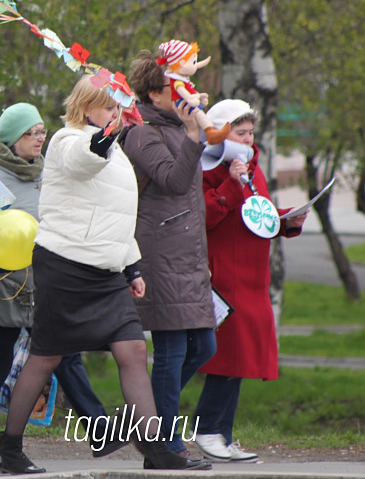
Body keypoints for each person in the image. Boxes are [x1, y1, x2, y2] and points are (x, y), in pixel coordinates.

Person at [0, 76, 209, 474]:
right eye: (108, 107)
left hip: (107, 269)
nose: (115, 114)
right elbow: (84, 159)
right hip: (65, 265)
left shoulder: (114, 150)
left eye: (116, 108)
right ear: (86, 108)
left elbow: (118, 214)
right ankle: (8, 451)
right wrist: (113, 129)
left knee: (133, 351)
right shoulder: (67, 140)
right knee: (45, 356)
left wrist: (132, 266)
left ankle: (156, 451)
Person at [0, 102, 111, 459]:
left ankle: (99, 429)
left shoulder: (36, 173)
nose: (40, 138)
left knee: (64, 352)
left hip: (37, 282)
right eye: (33, 132)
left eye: (43, 131)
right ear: (13, 138)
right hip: (5, 285)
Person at [192, 100, 307, 462]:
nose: (247, 140)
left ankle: (221, 433)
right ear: (222, 134)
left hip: (253, 279)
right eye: (239, 133)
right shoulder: (209, 167)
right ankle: (208, 429)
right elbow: (203, 216)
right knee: (227, 357)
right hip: (224, 276)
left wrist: (287, 220)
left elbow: (259, 214)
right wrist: (229, 182)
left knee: (241, 360)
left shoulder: (253, 169)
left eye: (250, 133)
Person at [122, 54, 217, 458]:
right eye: (174, 87)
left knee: (204, 347)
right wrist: (196, 135)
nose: (183, 93)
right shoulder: (140, 133)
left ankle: (145, 421)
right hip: (159, 252)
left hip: (187, 253)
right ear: (152, 93)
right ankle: (164, 442)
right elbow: (174, 182)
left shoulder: (173, 125)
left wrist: (195, 126)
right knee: (173, 350)